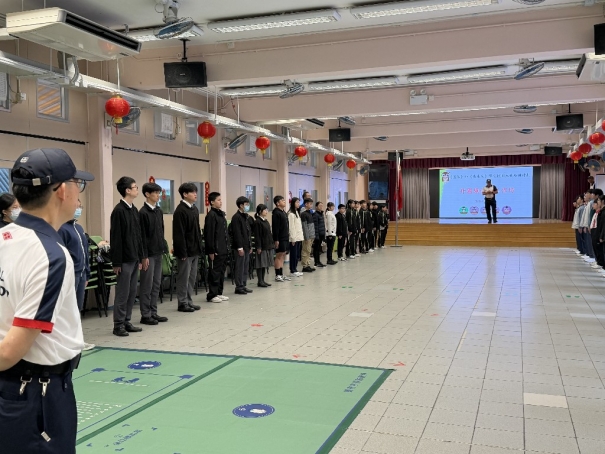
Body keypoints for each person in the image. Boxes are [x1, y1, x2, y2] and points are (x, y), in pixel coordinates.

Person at [0, 147, 93, 454]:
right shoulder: (50, 256)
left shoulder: (5, 239)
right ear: (62, 190)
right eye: (77, 184)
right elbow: (9, 352)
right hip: (35, 394)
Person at [110, 176, 144, 337]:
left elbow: (138, 236)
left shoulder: (134, 210)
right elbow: (116, 238)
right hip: (124, 260)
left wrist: (141, 256)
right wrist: (116, 262)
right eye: (135, 187)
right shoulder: (119, 211)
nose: (137, 190)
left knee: (131, 292)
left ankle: (127, 321)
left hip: (134, 257)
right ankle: (118, 324)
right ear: (127, 190)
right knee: (123, 293)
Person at [58, 199, 94, 350]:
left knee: (77, 308)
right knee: (68, 310)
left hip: (82, 273)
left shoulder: (78, 228)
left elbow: (85, 252)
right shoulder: (62, 228)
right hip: (71, 274)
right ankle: (66, 341)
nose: (79, 209)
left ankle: (77, 339)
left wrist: (87, 272)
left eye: (80, 206)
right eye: (76, 206)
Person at [138, 182, 169, 324]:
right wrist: (143, 256)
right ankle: (145, 314)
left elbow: (161, 231)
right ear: (147, 194)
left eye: (158, 193)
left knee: (156, 283)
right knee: (147, 285)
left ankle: (153, 312)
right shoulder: (143, 213)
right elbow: (142, 237)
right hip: (148, 255)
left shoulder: (158, 211)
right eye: (155, 193)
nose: (158, 195)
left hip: (158, 252)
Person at [173, 182, 203, 313]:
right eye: (193, 192)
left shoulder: (194, 209)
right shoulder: (180, 211)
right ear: (185, 194)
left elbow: (197, 230)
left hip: (195, 249)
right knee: (183, 278)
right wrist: (182, 252)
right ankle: (182, 302)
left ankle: (189, 301)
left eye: (196, 192)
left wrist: (200, 247)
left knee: (192, 277)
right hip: (185, 251)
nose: (195, 194)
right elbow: (179, 234)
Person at [204, 192, 230, 303]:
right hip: (216, 250)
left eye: (221, 200)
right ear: (212, 202)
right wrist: (211, 250)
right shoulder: (211, 216)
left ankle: (219, 292)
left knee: (221, 272)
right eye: (218, 200)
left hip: (224, 249)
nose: (221, 202)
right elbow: (209, 234)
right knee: (214, 272)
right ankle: (212, 294)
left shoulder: (221, 215)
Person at [231, 196, 253, 295]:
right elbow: (237, 234)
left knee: (245, 266)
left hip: (247, 246)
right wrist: (240, 247)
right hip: (240, 247)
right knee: (240, 267)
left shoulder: (245, 216)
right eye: (246, 204)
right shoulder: (236, 217)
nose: (248, 206)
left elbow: (248, 232)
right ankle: (239, 286)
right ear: (241, 205)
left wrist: (250, 246)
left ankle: (243, 284)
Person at [254, 204, 274, 288]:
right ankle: (260, 281)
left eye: (267, 209)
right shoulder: (258, 222)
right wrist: (258, 247)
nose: (266, 211)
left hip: (267, 245)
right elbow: (257, 236)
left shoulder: (265, 221)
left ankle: (263, 280)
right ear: (260, 211)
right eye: (265, 210)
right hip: (261, 246)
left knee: (265, 264)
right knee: (260, 264)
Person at [272, 195, 290, 282]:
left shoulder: (283, 212)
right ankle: (277, 275)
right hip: (280, 238)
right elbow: (275, 228)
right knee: (279, 255)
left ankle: (281, 274)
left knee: (283, 255)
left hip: (285, 236)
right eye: (282, 200)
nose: (284, 201)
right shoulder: (276, 213)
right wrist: (276, 239)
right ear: (277, 203)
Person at [287, 197, 303, 279]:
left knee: (297, 255)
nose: (298, 204)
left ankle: (295, 269)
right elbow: (291, 227)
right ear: (293, 203)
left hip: (299, 237)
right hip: (294, 238)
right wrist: (293, 238)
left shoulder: (297, 212)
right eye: (297, 202)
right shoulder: (291, 214)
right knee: (293, 255)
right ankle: (292, 270)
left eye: (299, 202)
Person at [300, 198, 316, 273]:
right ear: (306, 204)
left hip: (311, 235)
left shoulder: (310, 213)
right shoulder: (303, 214)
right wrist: (306, 237)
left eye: (312, 204)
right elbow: (304, 226)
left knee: (309, 251)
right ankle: (304, 266)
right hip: (307, 236)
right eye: (310, 204)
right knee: (305, 250)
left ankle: (308, 264)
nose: (311, 205)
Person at [312, 201, 326, 268]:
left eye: (322, 205)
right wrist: (316, 236)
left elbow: (322, 225)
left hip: (321, 234)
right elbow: (316, 226)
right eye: (320, 205)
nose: (321, 207)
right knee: (316, 249)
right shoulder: (315, 215)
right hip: (317, 235)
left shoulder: (321, 214)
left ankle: (318, 261)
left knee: (319, 249)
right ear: (316, 207)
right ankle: (316, 262)